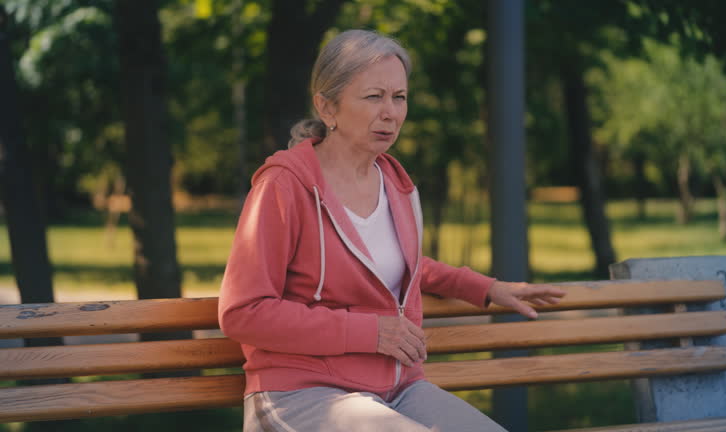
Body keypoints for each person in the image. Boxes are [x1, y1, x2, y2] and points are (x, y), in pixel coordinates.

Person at [219, 29, 565, 432]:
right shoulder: (284, 186)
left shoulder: (394, 183)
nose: (391, 112)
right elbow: (242, 312)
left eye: (399, 97)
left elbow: (398, 265)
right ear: (327, 107)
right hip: (301, 391)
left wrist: (486, 288)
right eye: (373, 97)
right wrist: (370, 332)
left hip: (395, 387)